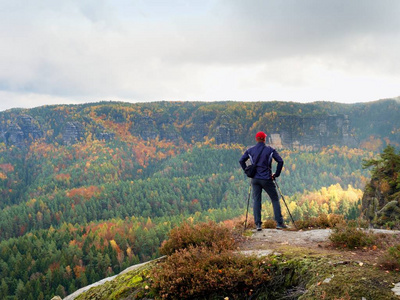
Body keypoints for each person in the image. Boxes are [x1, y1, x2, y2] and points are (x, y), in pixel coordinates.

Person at [239, 131, 287, 231]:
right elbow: (280, 161)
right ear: (264, 139)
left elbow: (241, 160)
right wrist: (276, 174)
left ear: (256, 139)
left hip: (255, 179)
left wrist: (247, 171)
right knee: (274, 199)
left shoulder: (250, 150)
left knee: (256, 200)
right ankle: (279, 223)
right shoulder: (270, 150)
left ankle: (258, 225)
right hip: (267, 179)